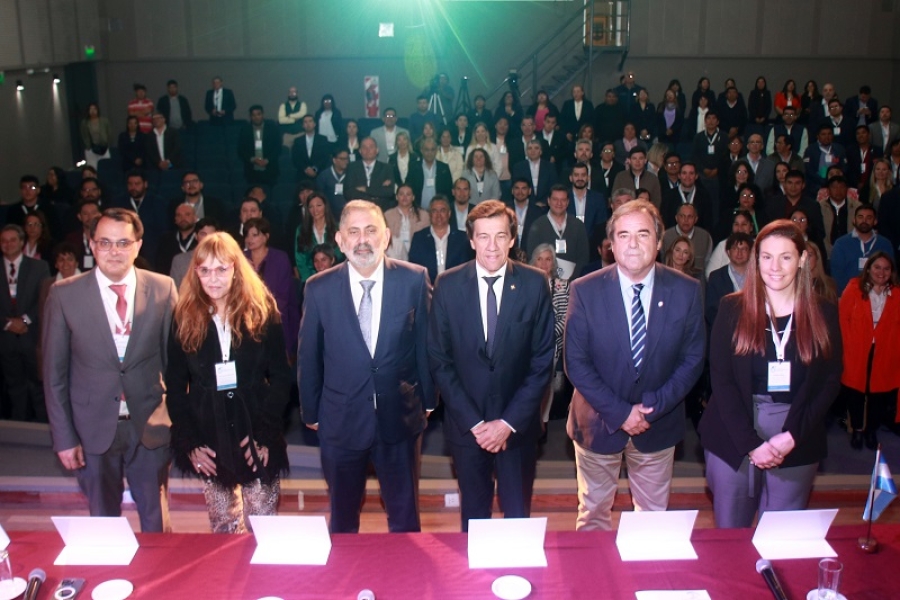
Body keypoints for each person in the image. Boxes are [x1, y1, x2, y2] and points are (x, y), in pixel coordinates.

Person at [565, 199, 705, 531]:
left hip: (658, 424)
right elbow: (576, 362)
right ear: (611, 245)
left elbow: (693, 359)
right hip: (598, 424)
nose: (633, 244)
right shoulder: (584, 290)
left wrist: (652, 408)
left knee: (652, 522)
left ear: (658, 243)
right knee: (593, 517)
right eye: (623, 235)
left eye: (643, 234)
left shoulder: (686, 290)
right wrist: (620, 413)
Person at [298, 200, 434, 534]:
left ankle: (403, 570)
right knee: (343, 521)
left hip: (399, 419)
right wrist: (312, 413)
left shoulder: (414, 280)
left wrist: (429, 401)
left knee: (404, 519)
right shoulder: (318, 288)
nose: (362, 240)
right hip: (340, 422)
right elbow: (309, 356)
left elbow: (426, 346)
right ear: (340, 240)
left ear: (385, 237)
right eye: (354, 232)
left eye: (371, 231)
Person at [698, 219, 842, 528]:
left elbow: (830, 381)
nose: (775, 267)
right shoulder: (731, 309)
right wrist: (751, 444)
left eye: (785, 257)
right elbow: (721, 380)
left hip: (797, 431)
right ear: (756, 260)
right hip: (734, 431)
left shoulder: (824, 312)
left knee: (780, 535)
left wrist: (793, 435)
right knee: (731, 533)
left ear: (802, 259)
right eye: (766, 257)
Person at [43, 208, 178, 532]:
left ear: (138, 245)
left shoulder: (163, 288)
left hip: (150, 426)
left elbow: (175, 366)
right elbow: (54, 375)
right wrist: (64, 438)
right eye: (105, 242)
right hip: (91, 429)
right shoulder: (64, 294)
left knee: (156, 523)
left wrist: (179, 423)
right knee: (102, 525)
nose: (114, 251)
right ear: (91, 244)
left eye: (122, 243)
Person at [428, 200, 554, 531]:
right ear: (471, 240)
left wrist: (507, 423)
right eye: (483, 237)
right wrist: (476, 423)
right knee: (473, 521)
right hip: (467, 429)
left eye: (500, 236)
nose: (492, 246)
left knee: (517, 520)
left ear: (512, 239)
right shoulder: (447, 285)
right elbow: (440, 361)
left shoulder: (535, 283)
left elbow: (542, 361)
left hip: (517, 428)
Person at [167, 233, 290, 533]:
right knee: (223, 526)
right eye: (205, 270)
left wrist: (265, 435)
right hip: (208, 432)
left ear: (236, 267)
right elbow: (175, 384)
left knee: (263, 526)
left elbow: (282, 377)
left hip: (256, 427)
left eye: (221, 269)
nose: (213, 278)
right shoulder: (184, 315)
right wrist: (190, 442)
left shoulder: (262, 309)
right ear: (195, 272)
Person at [839, 252, 900, 450]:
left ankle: (871, 431)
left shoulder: (897, 294)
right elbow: (842, 319)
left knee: (878, 395)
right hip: (856, 350)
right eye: (877, 267)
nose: (881, 272)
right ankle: (857, 429)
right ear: (869, 269)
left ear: (891, 272)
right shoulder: (854, 288)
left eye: (886, 268)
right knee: (856, 392)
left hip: (885, 351)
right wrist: (846, 347)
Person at [1, 224, 51, 422]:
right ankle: (18, 430)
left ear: (21, 242)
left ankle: (43, 428)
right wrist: (7, 324)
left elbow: (44, 299)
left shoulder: (39, 267)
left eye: (13, 240)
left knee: (39, 388)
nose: (8, 244)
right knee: (15, 389)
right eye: (4, 241)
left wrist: (23, 320)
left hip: (32, 337)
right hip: (5, 339)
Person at [244, 218, 300, 358]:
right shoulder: (241, 259)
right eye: (247, 235)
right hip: (247, 318)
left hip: (275, 317)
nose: (249, 239)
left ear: (266, 236)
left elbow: (283, 296)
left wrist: (263, 313)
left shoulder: (280, 258)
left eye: (254, 235)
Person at [529, 243, 571, 423]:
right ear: (533, 261)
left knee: (547, 385)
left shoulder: (563, 286)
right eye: (540, 259)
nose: (544, 264)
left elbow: (566, 316)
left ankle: (543, 422)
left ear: (553, 263)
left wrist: (548, 335)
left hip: (552, 344)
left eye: (548, 259)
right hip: (528, 344)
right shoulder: (526, 284)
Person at [830, 205, 894, 294]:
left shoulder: (885, 243)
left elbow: (890, 272)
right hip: (848, 293)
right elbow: (837, 274)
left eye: (869, 218)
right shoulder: (841, 243)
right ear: (854, 220)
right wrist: (848, 293)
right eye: (860, 217)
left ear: (875, 221)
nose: (864, 221)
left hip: (879, 294)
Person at [407, 195, 471, 283]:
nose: (438, 215)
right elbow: (414, 268)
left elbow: (467, 269)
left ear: (449, 213)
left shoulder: (462, 238)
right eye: (434, 211)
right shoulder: (419, 238)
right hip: (427, 287)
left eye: (442, 210)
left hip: (455, 286)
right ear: (430, 214)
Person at [295, 192, 343, 283]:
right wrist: (309, 280)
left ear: (325, 206)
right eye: (311, 207)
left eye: (319, 205)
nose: (315, 210)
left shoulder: (337, 228)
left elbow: (341, 256)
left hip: (336, 277)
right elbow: (300, 259)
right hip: (311, 279)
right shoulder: (301, 230)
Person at [343, 137, 396, 211]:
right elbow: (348, 192)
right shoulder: (352, 167)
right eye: (364, 147)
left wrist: (366, 189)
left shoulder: (386, 168)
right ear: (360, 151)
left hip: (380, 210)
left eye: (371, 147)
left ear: (377, 150)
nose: (368, 150)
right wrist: (374, 195)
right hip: (358, 210)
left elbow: (389, 192)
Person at [384, 185, 430, 261]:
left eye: (408, 194)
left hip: (417, 254)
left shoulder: (424, 215)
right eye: (401, 194)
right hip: (395, 255)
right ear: (396, 197)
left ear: (413, 197)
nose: (404, 197)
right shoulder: (388, 215)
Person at [239, 105, 282, 185]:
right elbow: (241, 150)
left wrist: (267, 160)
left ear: (263, 115)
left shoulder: (272, 129)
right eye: (254, 115)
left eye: (258, 114)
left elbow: (278, 148)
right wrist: (252, 159)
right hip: (251, 171)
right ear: (250, 116)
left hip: (270, 170)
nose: (256, 117)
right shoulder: (245, 130)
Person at [80, 103, 112, 168]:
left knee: (106, 166)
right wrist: (87, 145)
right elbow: (84, 135)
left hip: (103, 147)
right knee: (92, 167)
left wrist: (106, 142)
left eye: (94, 109)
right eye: (91, 109)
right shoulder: (85, 123)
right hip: (90, 148)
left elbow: (109, 133)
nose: (93, 111)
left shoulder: (104, 121)